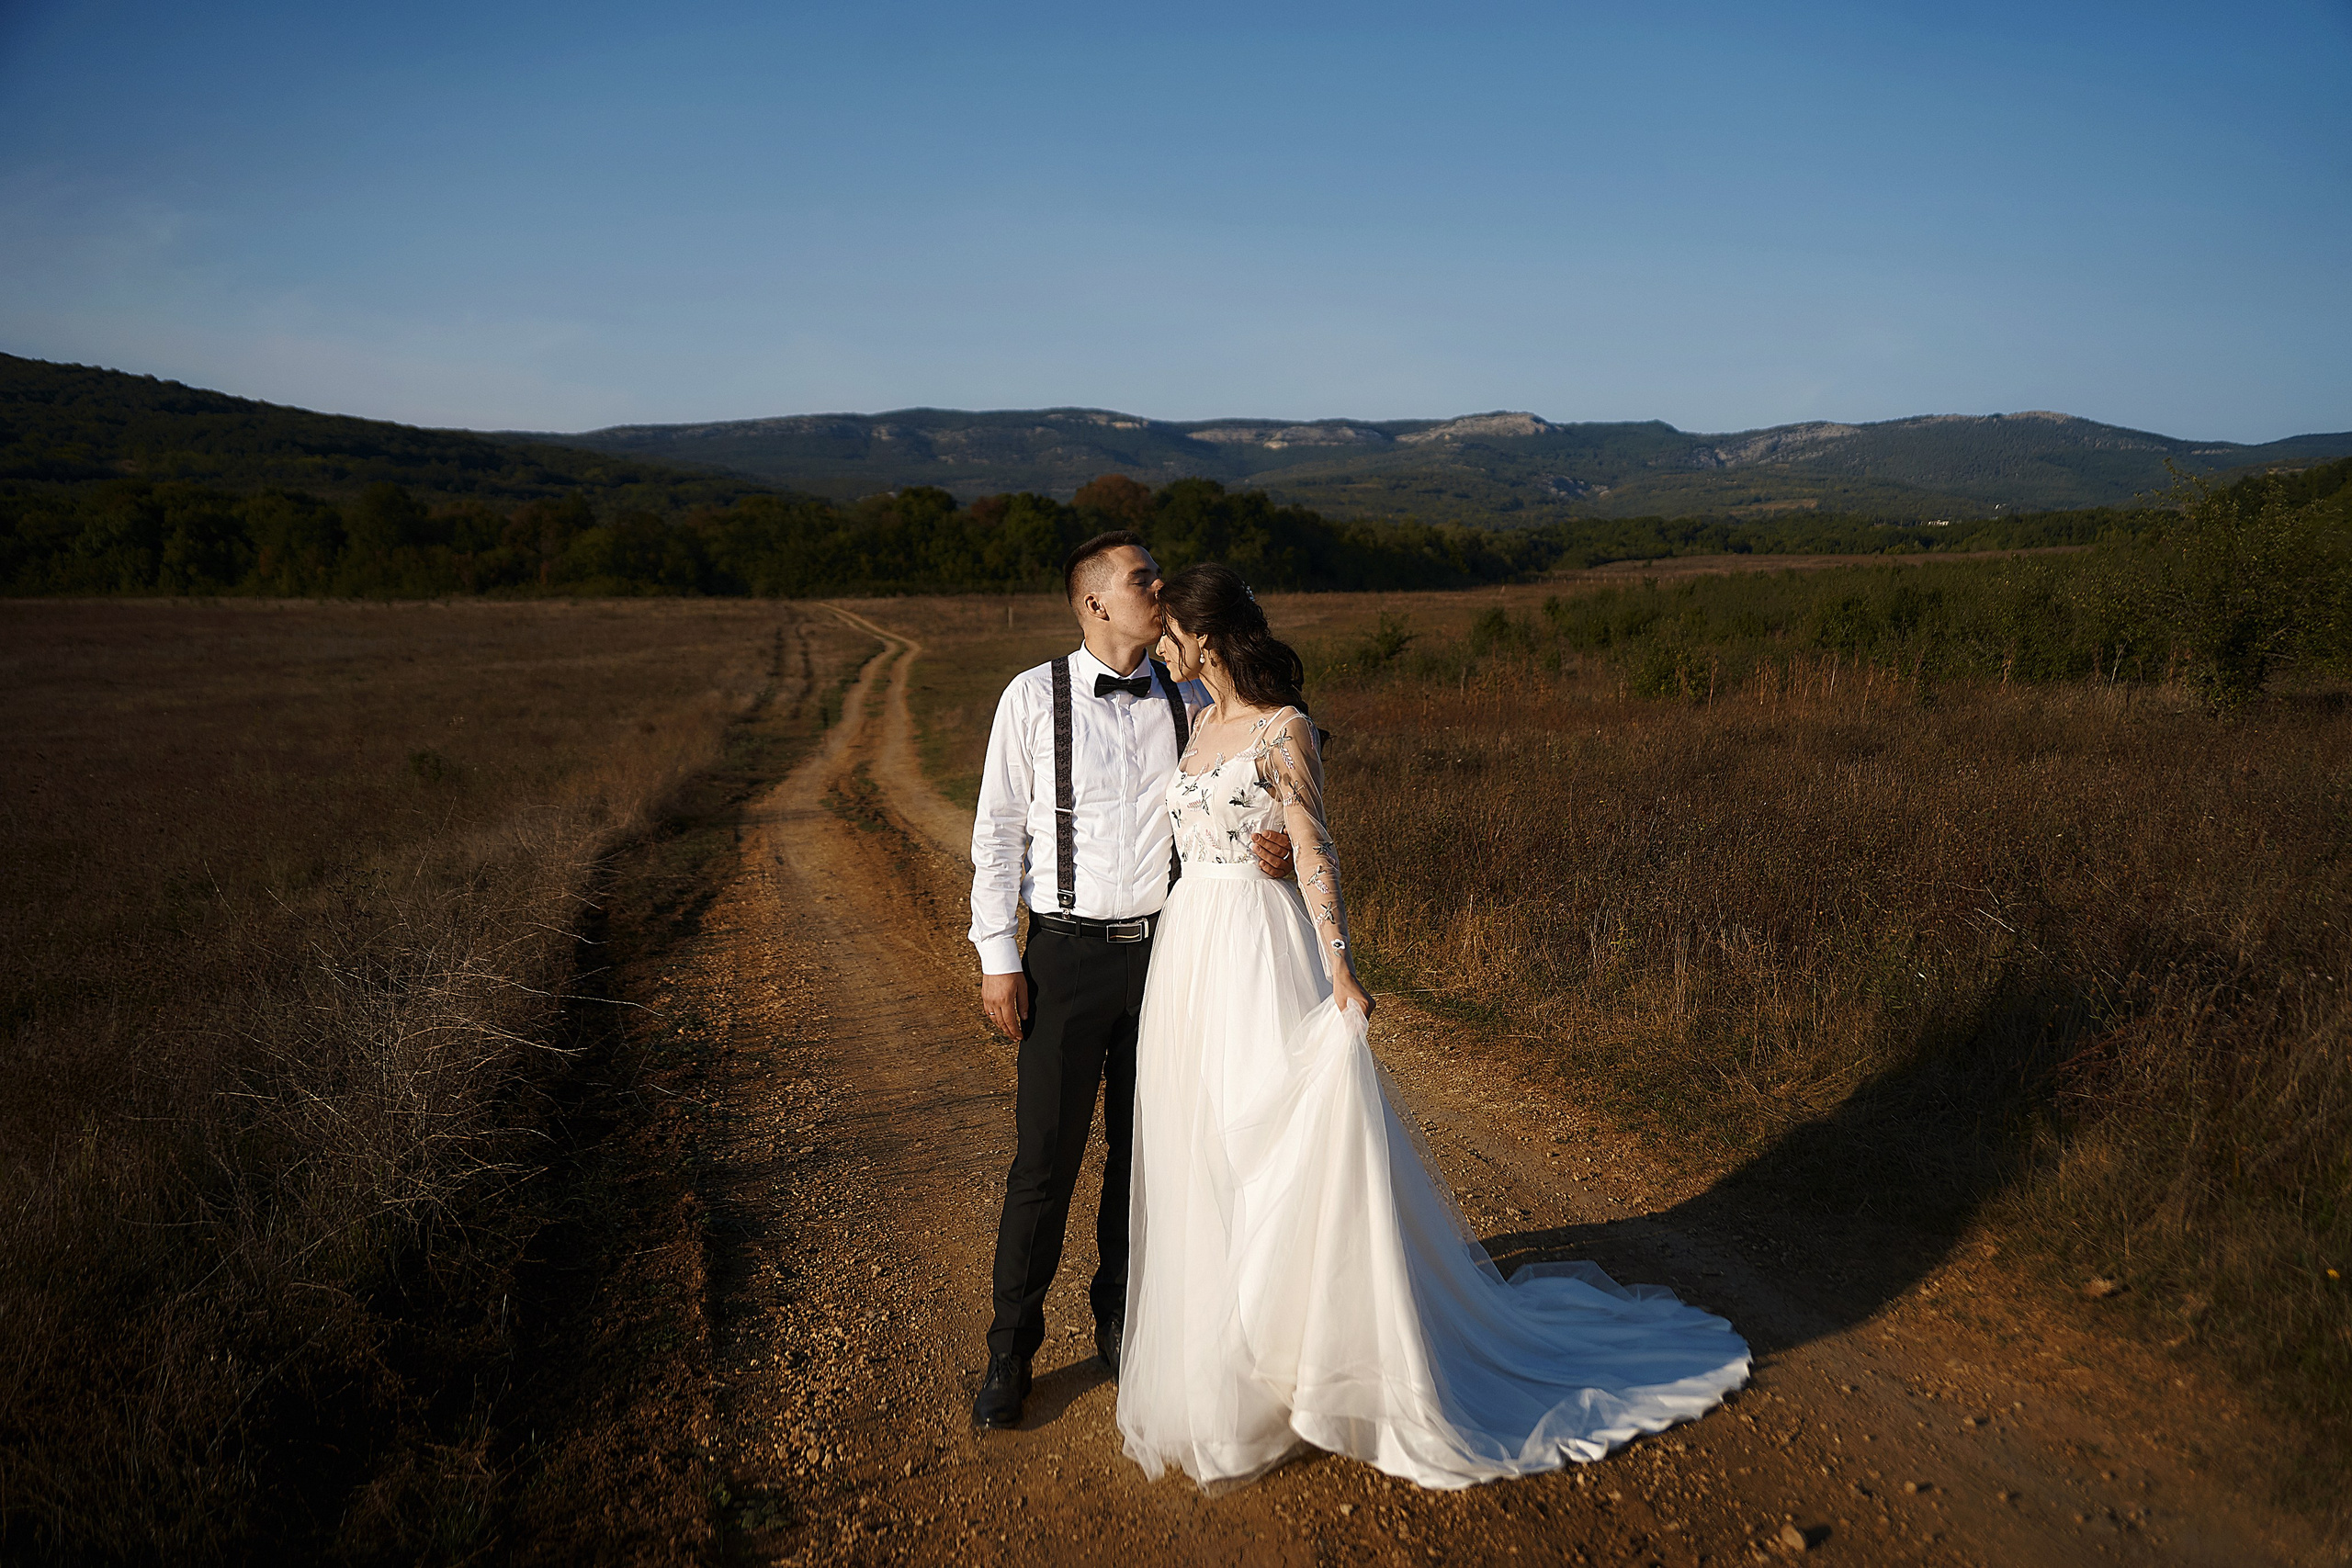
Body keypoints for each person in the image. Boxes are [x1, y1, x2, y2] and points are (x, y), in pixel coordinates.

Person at [1115, 562, 1751, 1490]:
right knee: (1202, 1152)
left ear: (1204, 635)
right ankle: (1227, 1369)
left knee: (1274, 1150)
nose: (1157, 645)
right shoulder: (1197, 723)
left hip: (1261, 951)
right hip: (1192, 955)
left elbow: (1315, 846)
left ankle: (1301, 1368)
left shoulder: (1284, 729)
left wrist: (1338, 963)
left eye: (1168, 630)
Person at [967, 532, 1293, 1430]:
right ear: (1094, 604)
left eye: (1156, 575)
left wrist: (1270, 846)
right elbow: (997, 835)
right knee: (1043, 1162)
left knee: (1144, 1155)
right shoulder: (1032, 699)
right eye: (1141, 578)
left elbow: (1257, 777)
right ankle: (1010, 1351)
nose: (1159, 586)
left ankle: (1121, 1321)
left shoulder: (1190, 699)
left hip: (1168, 952)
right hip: (1063, 958)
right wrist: (998, 957)